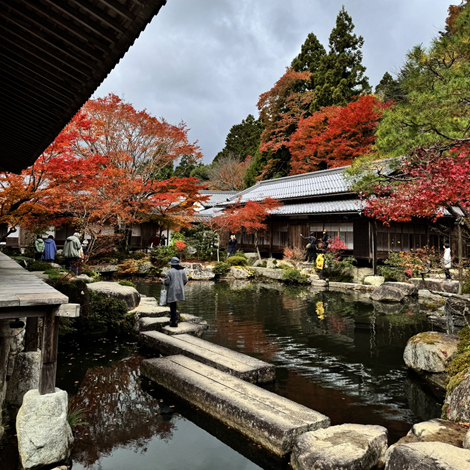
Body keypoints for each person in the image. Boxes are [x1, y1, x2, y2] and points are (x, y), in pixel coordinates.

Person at [161, 256, 188, 328]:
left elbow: (167, 282)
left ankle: (173, 321)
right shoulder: (182, 271)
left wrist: (161, 281)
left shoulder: (170, 271)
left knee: (172, 305)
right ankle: (173, 319)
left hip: (172, 290)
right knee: (174, 304)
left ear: (172, 264)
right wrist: (181, 286)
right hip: (180, 290)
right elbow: (185, 280)